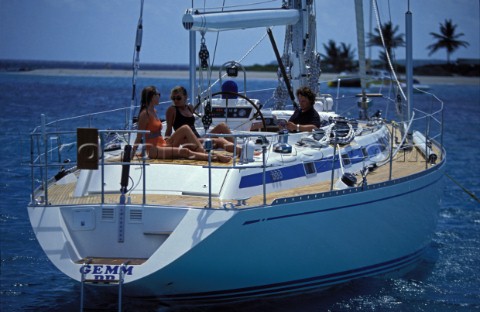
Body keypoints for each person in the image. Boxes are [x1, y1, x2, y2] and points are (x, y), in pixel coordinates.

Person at [132, 86, 231, 163]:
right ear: (152, 96)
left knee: (185, 128)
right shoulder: (145, 114)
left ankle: (207, 153)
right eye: (158, 94)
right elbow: (139, 136)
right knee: (185, 152)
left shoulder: (153, 111)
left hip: (163, 143)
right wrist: (133, 154)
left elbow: (157, 133)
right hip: (153, 149)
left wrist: (167, 139)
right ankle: (214, 157)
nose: (159, 97)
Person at [165, 85, 240, 154]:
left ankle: (237, 147)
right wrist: (166, 143)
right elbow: (168, 129)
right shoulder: (172, 110)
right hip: (186, 141)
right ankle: (241, 151)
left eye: (178, 98)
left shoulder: (189, 107)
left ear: (185, 97)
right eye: (173, 98)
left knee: (222, 126)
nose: (175, 101)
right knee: (220, 141)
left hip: (198, 138)